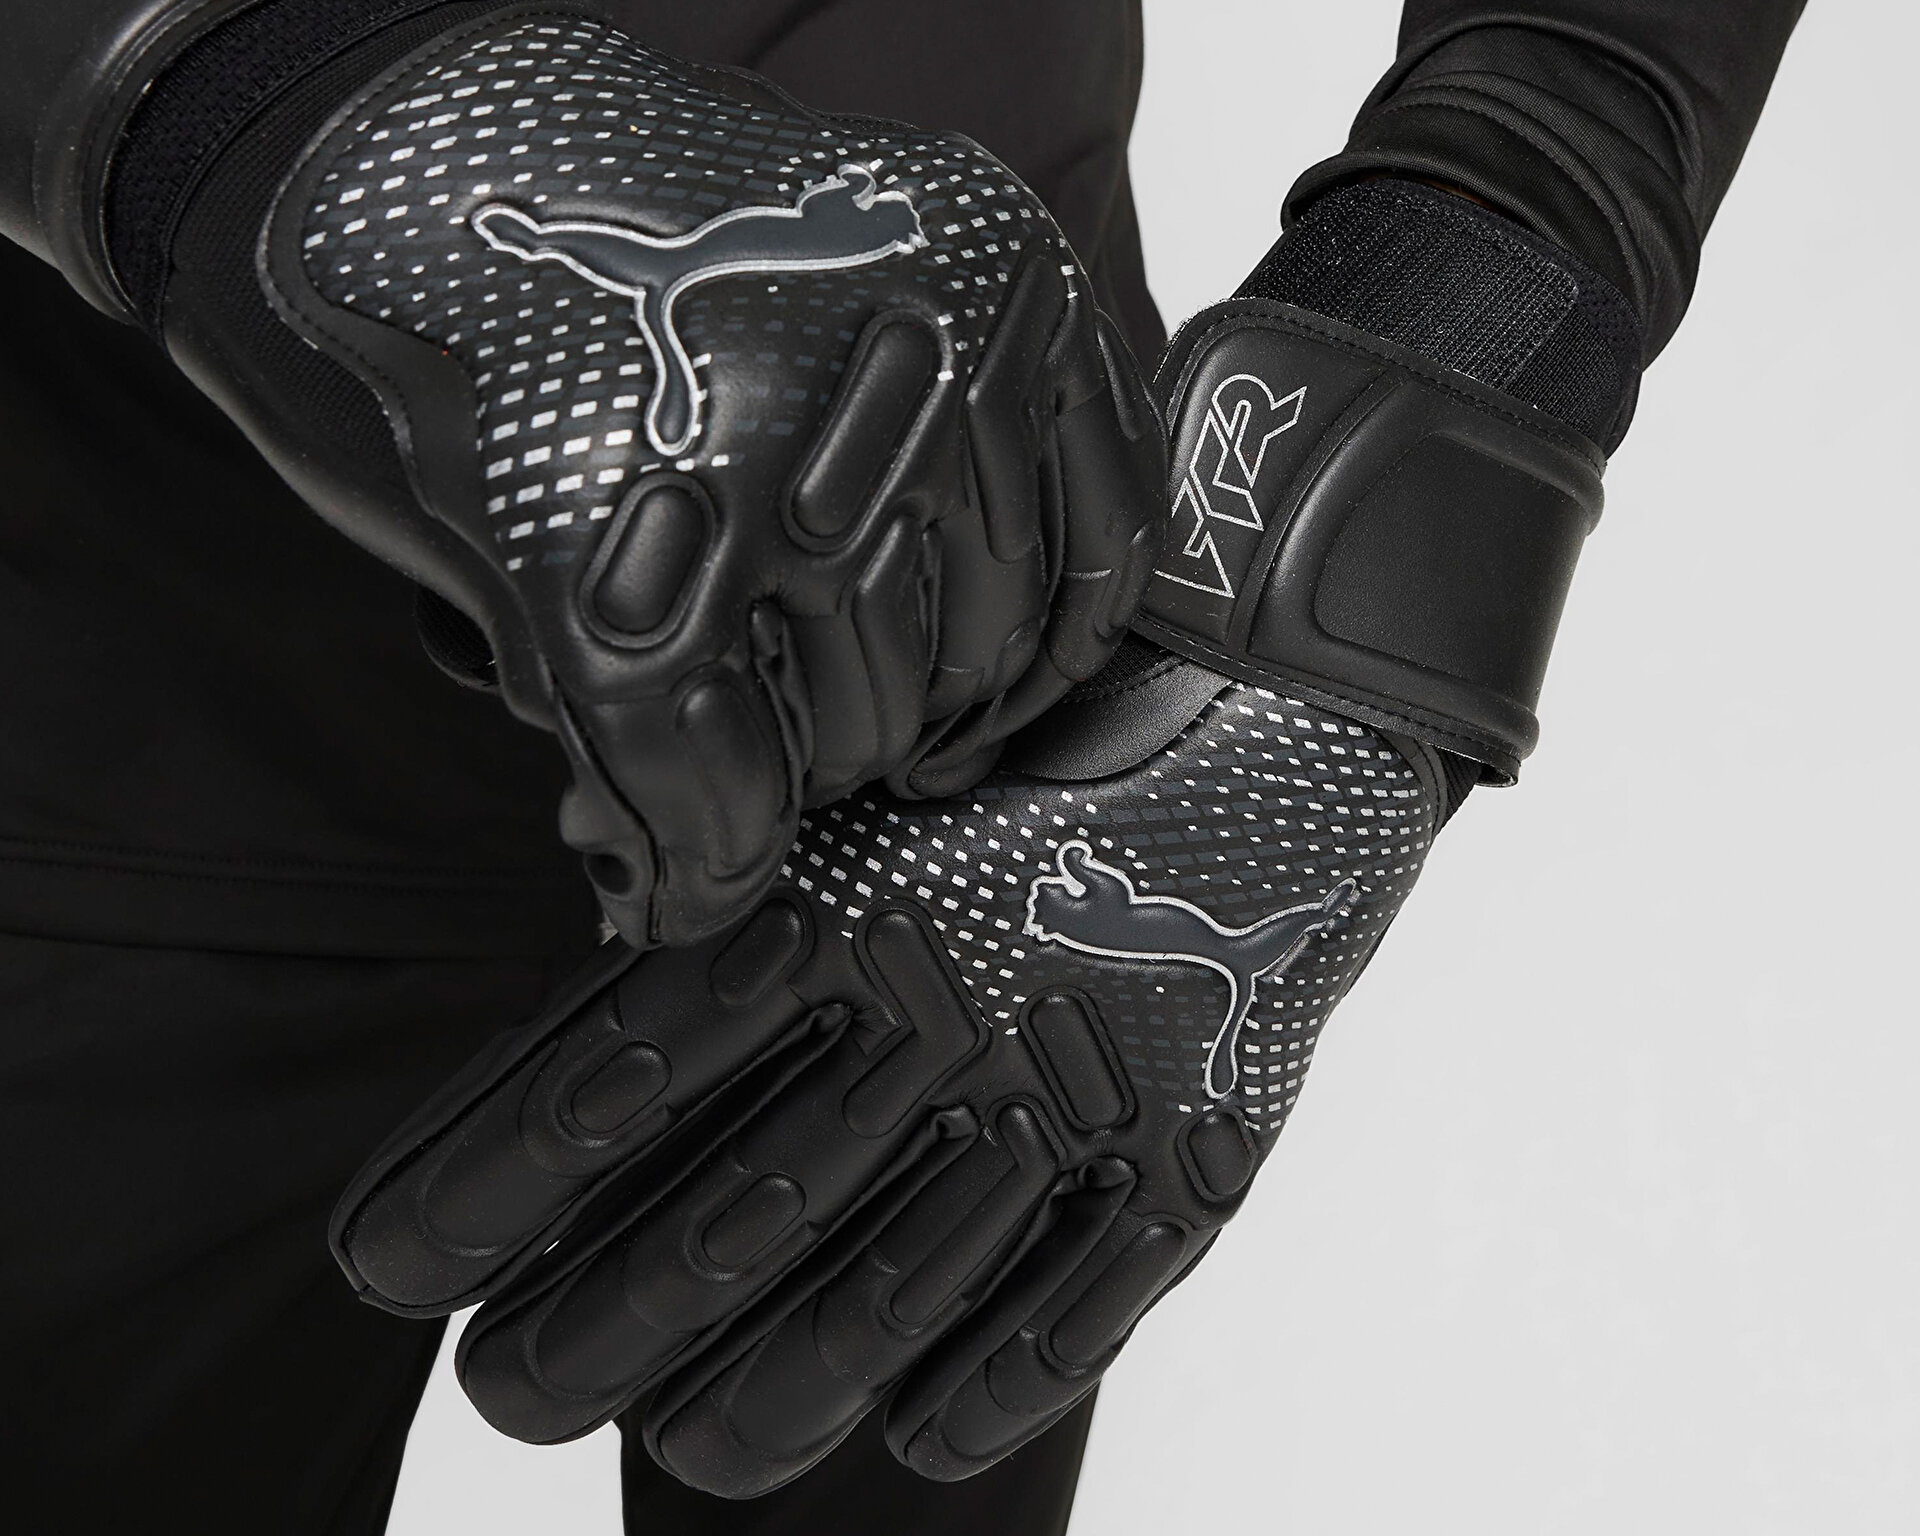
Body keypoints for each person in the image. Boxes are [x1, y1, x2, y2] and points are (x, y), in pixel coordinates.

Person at [0, 2, 1804, 1532]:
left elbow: (1529, 176)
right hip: (121, 698)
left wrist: (1460, 302)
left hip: (999, 668)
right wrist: (206, 89)